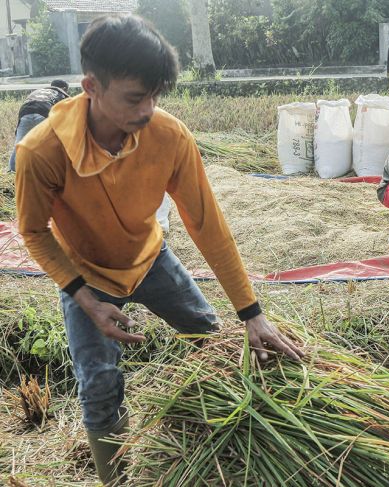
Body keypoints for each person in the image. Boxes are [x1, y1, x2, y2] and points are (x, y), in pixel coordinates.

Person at [14, 15, 304, 486]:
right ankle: (118, 479)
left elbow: (207, 225)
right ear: (91, 86)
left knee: (212, 338)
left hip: (150, 259)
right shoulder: (40, 152)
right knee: (99, 387)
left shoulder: (168, 136)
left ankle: (226, 446)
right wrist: (86, 299)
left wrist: (251, 311)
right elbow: (32, 232)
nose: (148, 109)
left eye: (155, 95)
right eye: (134, 97)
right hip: (86, 276)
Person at [8, 79, 69, 172]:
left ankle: (12, 170)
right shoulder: (62, 94)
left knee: (19, 145)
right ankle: (51, 171)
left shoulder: (38, 91)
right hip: (44, 113)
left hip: (25, 113)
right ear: (64, 88)